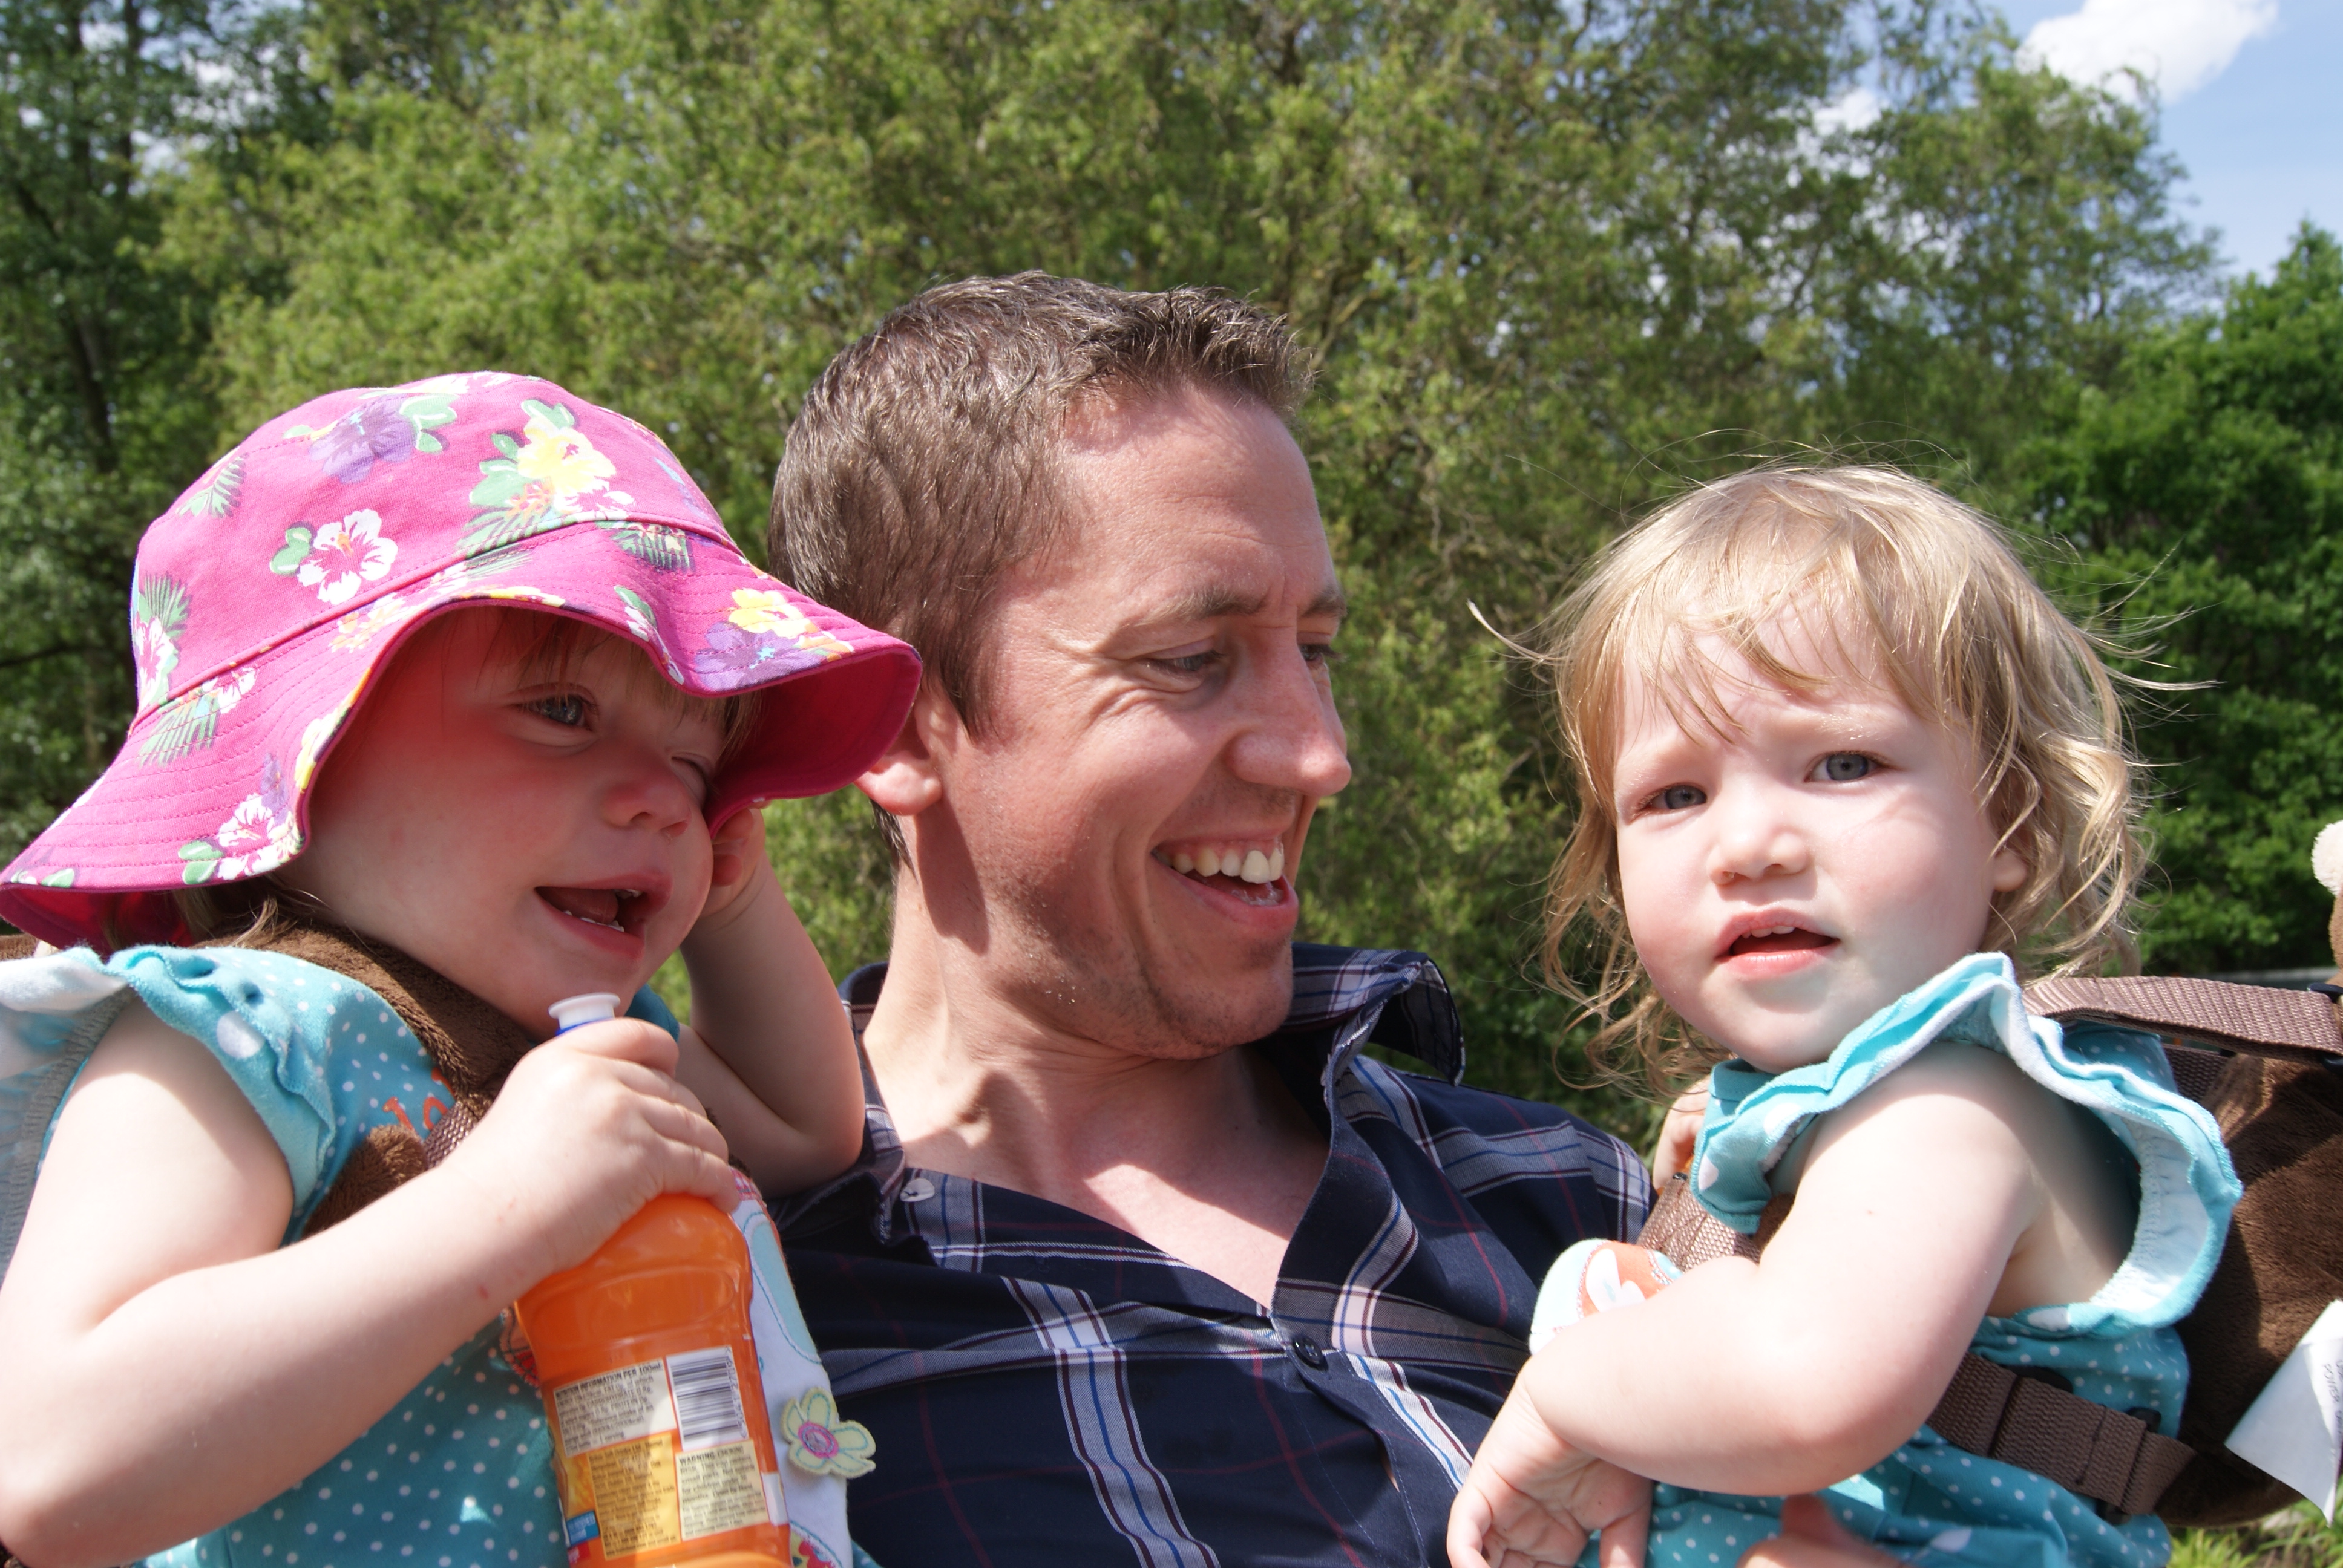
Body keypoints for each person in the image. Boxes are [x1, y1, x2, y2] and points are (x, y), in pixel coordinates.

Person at [759, 272, 1651, 1566]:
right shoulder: (731, 1297)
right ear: (895, 725)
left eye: (1316, 649)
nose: (1321, 756)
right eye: (1191, 659)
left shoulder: (1573, 1202)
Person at [0, 373, 920, 1568]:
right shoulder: (243, 1035)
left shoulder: (586, 1049)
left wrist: (730, 897)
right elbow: (52, 1460)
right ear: (306, 750)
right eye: (562, 711)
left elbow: (805, 1130)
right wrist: (504, 1209)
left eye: (697, 766)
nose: (663, 800)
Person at [1446, 468, 2242, 1568]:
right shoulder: (1853, 1116)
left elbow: (1803, 1385)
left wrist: (1562, 1394)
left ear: (2010, 819)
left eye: (1842, 765)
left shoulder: (1948, 1109)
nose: (1748, 846)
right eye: (1675, 796)